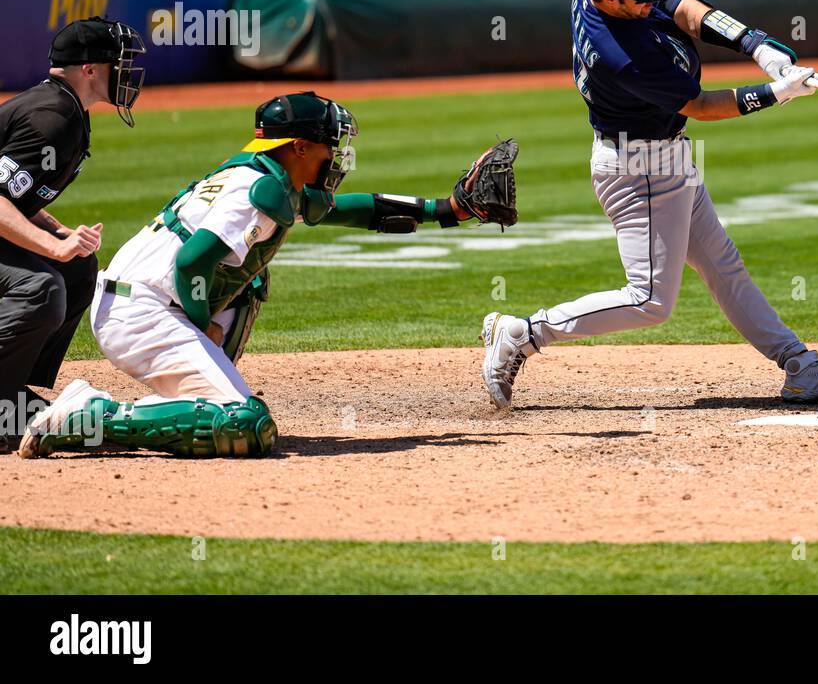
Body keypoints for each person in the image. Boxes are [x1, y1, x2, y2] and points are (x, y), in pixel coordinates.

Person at [478, 0, 818, 410]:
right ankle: (522, 332)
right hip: (638, 168)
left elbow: (681, 5)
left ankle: (798, 364)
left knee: (723, 265)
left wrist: (755, 44)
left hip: (665, 156)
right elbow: (701, 106)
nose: (651, 3)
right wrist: (776, 94)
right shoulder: (620, 57)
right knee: (648, 301)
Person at [18, 94, 518, 459]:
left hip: (136, 301)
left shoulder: (268, 177)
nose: (336, 156)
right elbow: (192, 261)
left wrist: (449, 210)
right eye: (328, 145)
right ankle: (92, 417)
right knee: (247, 426)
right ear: (299, 147)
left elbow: (353, 210)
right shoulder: (260, 192)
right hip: (142, 312)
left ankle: (189, 395)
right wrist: (203, 328)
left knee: (252, 282)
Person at [0, 19, 145, 453]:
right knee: (40, 287)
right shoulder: (53, 120)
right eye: (118, 63)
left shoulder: (62, 109)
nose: (126, 72)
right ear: (89, 69)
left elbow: (15, 194)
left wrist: (58, 231)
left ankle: (7, 394)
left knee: (77, 266)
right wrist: (51, 245)